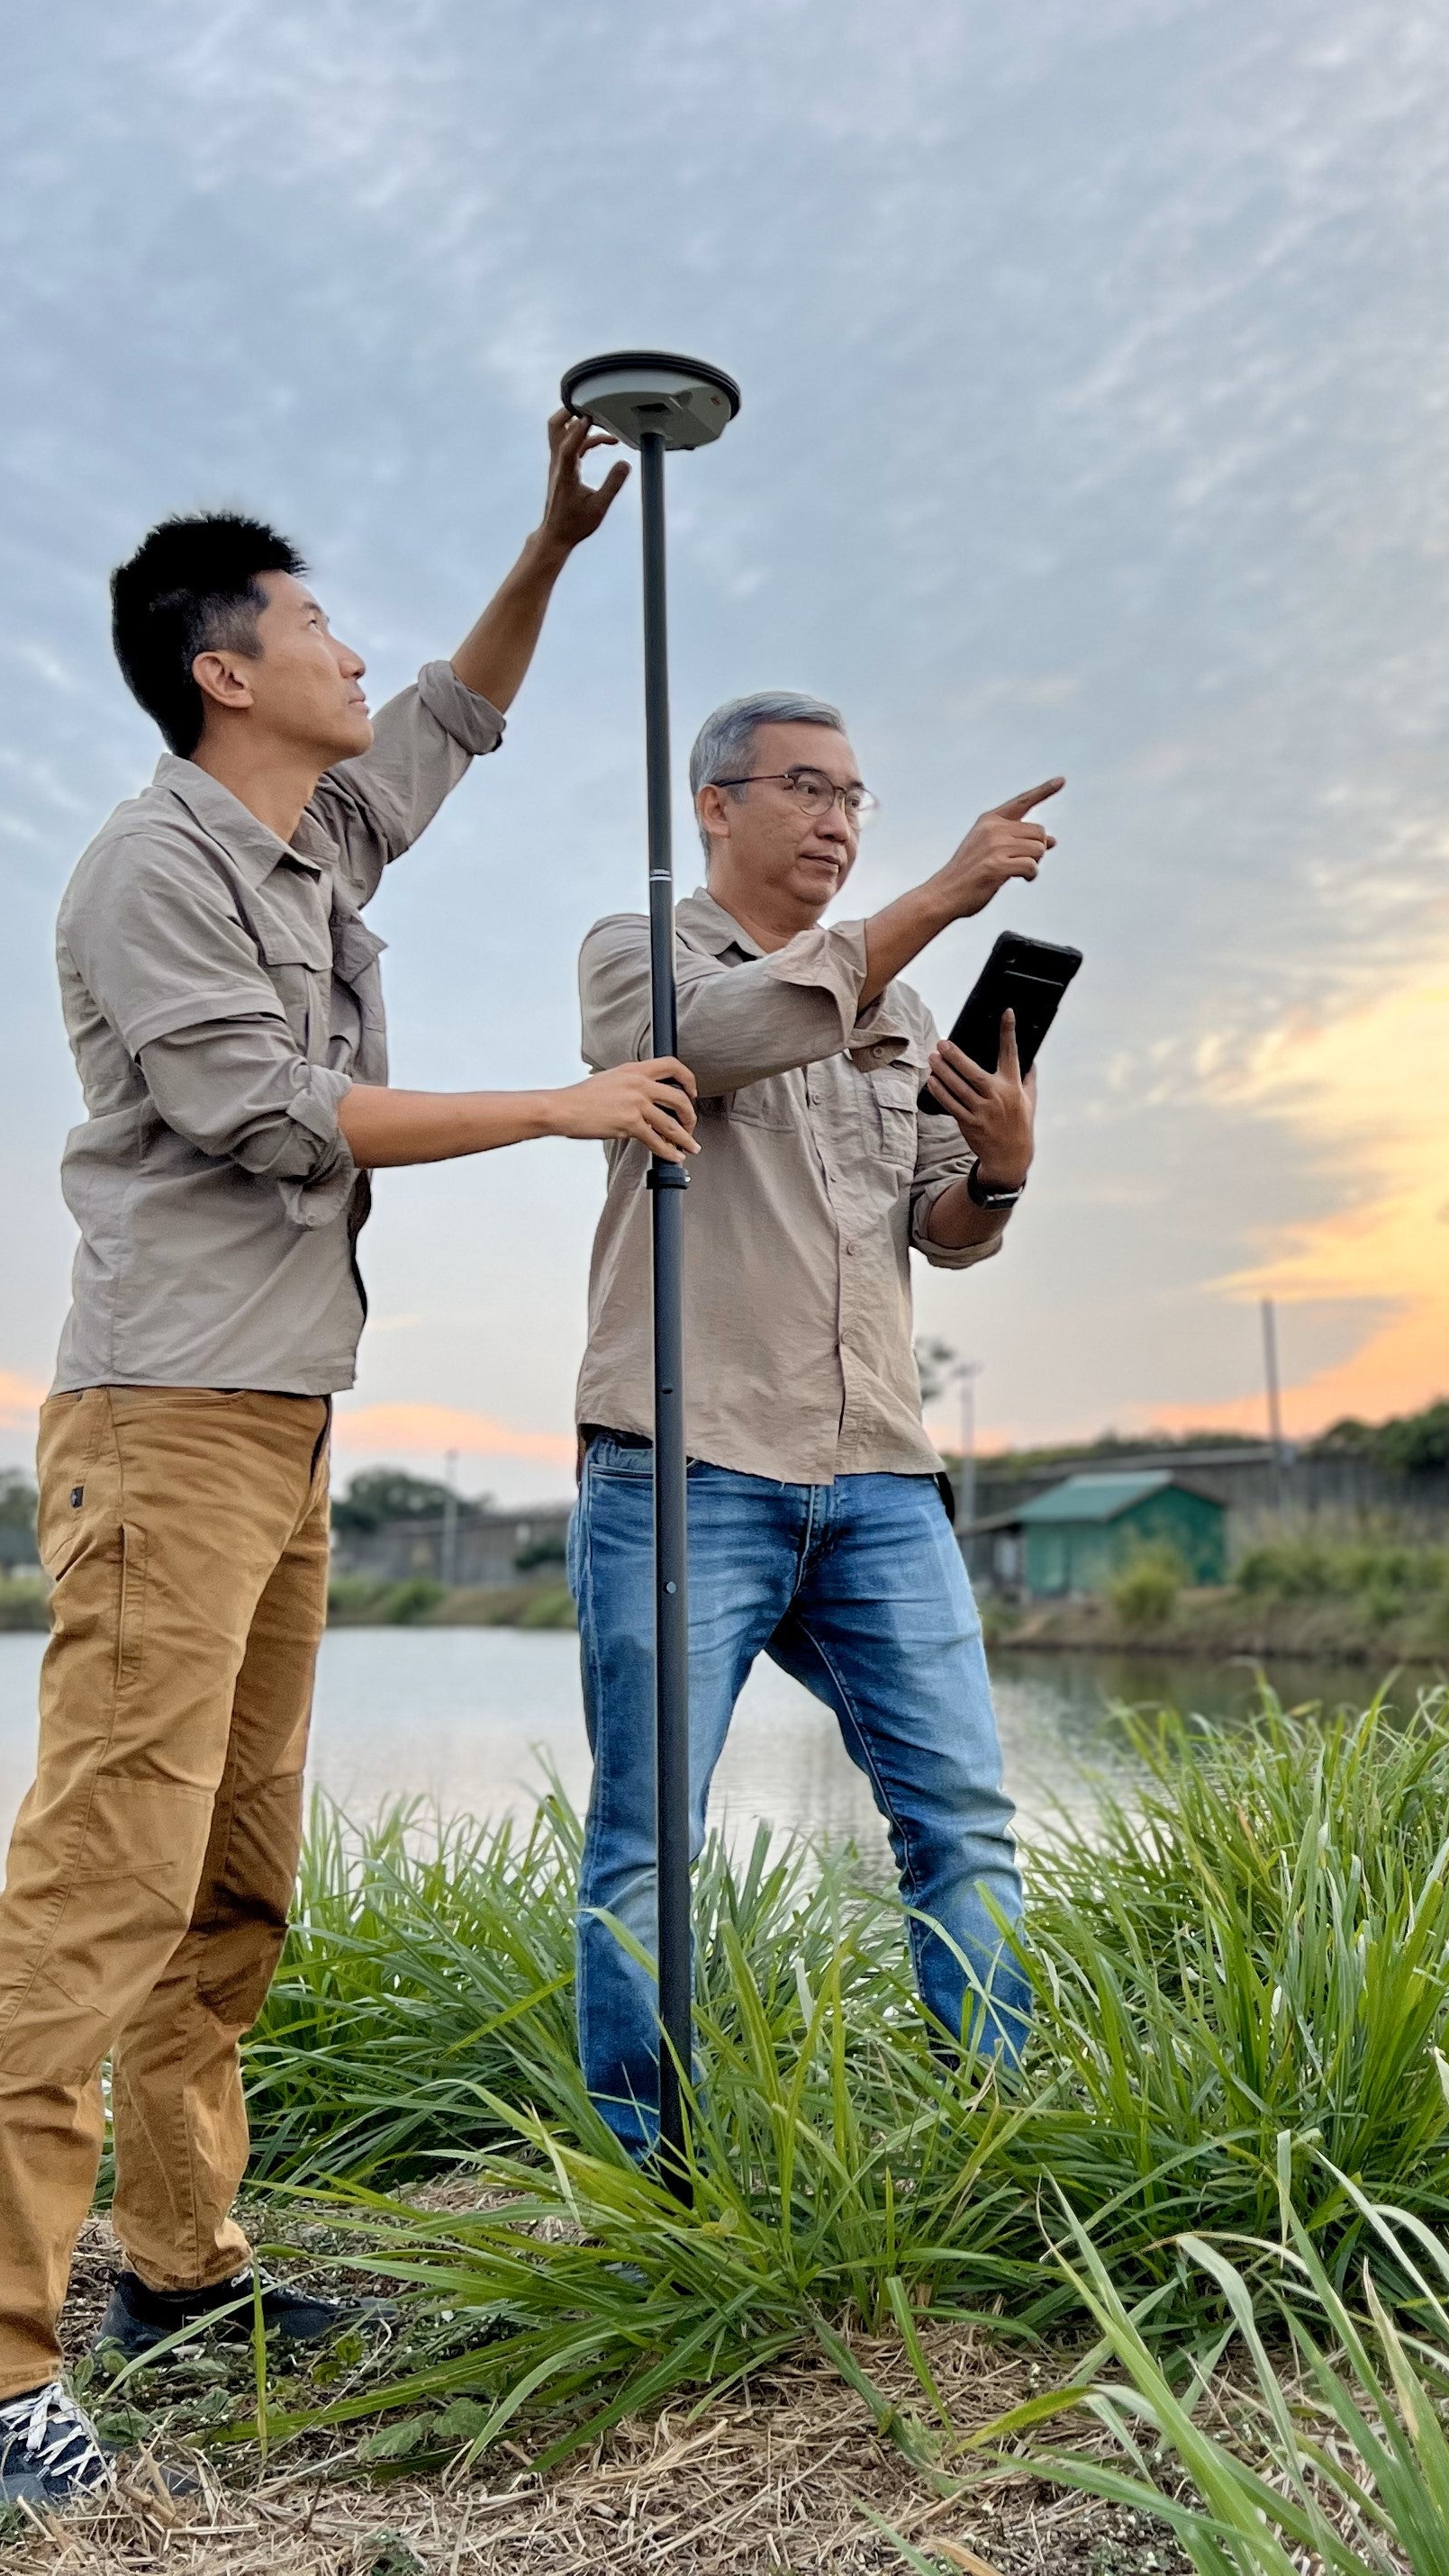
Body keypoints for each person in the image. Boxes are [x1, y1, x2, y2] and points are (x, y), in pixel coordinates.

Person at [0, 417, 700, 2523]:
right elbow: (272, 1115)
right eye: (318, 622)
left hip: (280, 1415)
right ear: (222, 667)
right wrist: (568, 1102)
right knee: (99, 1884)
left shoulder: (317, 831)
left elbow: (460, 717)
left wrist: (553, 536)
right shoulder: (150, 871)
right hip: (164, 1423)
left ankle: (182, 2266)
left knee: (235, 1881)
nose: (356, 653)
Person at [570, 692, 1059, 2140]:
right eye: (805, 787)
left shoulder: (905, 1015)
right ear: (714, 805)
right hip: (688, 1458)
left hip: (880, 1473)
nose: (840, 818)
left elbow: (940, 1223)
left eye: (858, 796)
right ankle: (649, 2184)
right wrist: (945, 895)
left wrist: (1006, 1167)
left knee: (960, 1818)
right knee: (651, 1841)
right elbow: (719, 1043)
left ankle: (1004, 2141)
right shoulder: (638, 957)